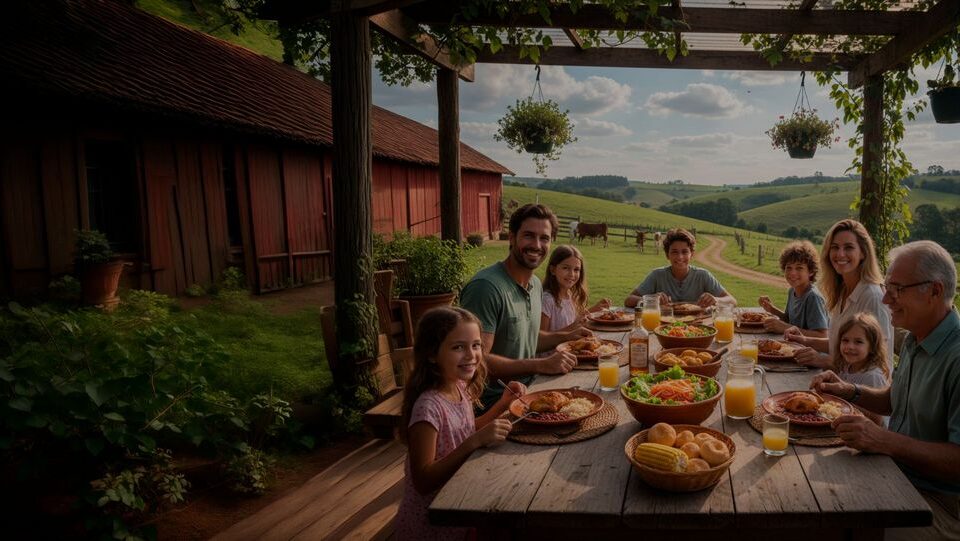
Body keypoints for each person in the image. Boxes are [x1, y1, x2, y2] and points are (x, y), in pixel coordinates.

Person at [811, 240, 960, 540]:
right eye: (886, 287)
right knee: (812, 494)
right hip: (898, 475)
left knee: (834, 523)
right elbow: (895, 401)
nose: (886, 299)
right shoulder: (918, 338)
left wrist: (884, 441)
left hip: (942, 506)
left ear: (935, 291)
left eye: (897, 289)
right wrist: (847, 390)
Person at [394, 307, 527, 541]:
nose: (471, 355)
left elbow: (467, 429)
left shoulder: (458, 386)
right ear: (432, 354)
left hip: (460, 501)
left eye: (476, 345)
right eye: (458, 347)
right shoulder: (428, 407)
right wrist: (474, 443)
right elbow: (423, 480)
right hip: (433, 523)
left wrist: (503, 404)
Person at [460, 204, 588, 410]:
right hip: (492, 403)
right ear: (511, 237)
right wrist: (541, 364)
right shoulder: (486, 288)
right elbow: (476, 361)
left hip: (532, 389)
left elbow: (529, 339)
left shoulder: (535, 285)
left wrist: (569, 335)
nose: (537, 245)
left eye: (544, 238)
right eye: (529, 235)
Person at [784, 219, 893, 375]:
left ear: (863, 252)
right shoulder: (841, 291)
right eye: (835, 247)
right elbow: (840, 342)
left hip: (863, 393)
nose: (840, 254)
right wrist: (804, 340)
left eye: (848, 247)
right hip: (838, 383)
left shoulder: (872, 296)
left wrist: (822, 360)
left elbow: (878, 361)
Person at [624, 228, 735, 309]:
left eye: (685, 252)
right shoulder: (657, 275)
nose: (680, 257)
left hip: (697, 327)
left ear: (692, 254)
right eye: (674, 252)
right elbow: (628, 300)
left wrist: (716, 300)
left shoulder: (703, 275)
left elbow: (732, 301)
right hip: (662, 326)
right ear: (667, 255)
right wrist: (651, 300)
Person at [759, 240, 829, 337]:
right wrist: (771, 309)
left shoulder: (812, 297)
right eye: (789, 268)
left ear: (811, 271)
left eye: (799, 268)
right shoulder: (792, 291)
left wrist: (785, 328)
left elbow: (822, 335)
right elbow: (789, 320)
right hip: (795, 346)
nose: (792, 273)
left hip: (813, 351)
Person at [832, 312, 889, 426]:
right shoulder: (846, 366)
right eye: (845, 340)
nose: (850, 346)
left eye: (858, 342)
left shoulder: (872, 376)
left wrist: (844, 404)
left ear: (872, 346)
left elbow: (877, 420)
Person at [541, 245, 611, 334]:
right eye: (565, 268)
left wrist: (595, 309)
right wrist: (573, 327)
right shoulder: (547, 300)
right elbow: (540, 340)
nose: (572, 274)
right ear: (553, 270)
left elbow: (575, 319)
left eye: (576, 269)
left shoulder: (570, 294)